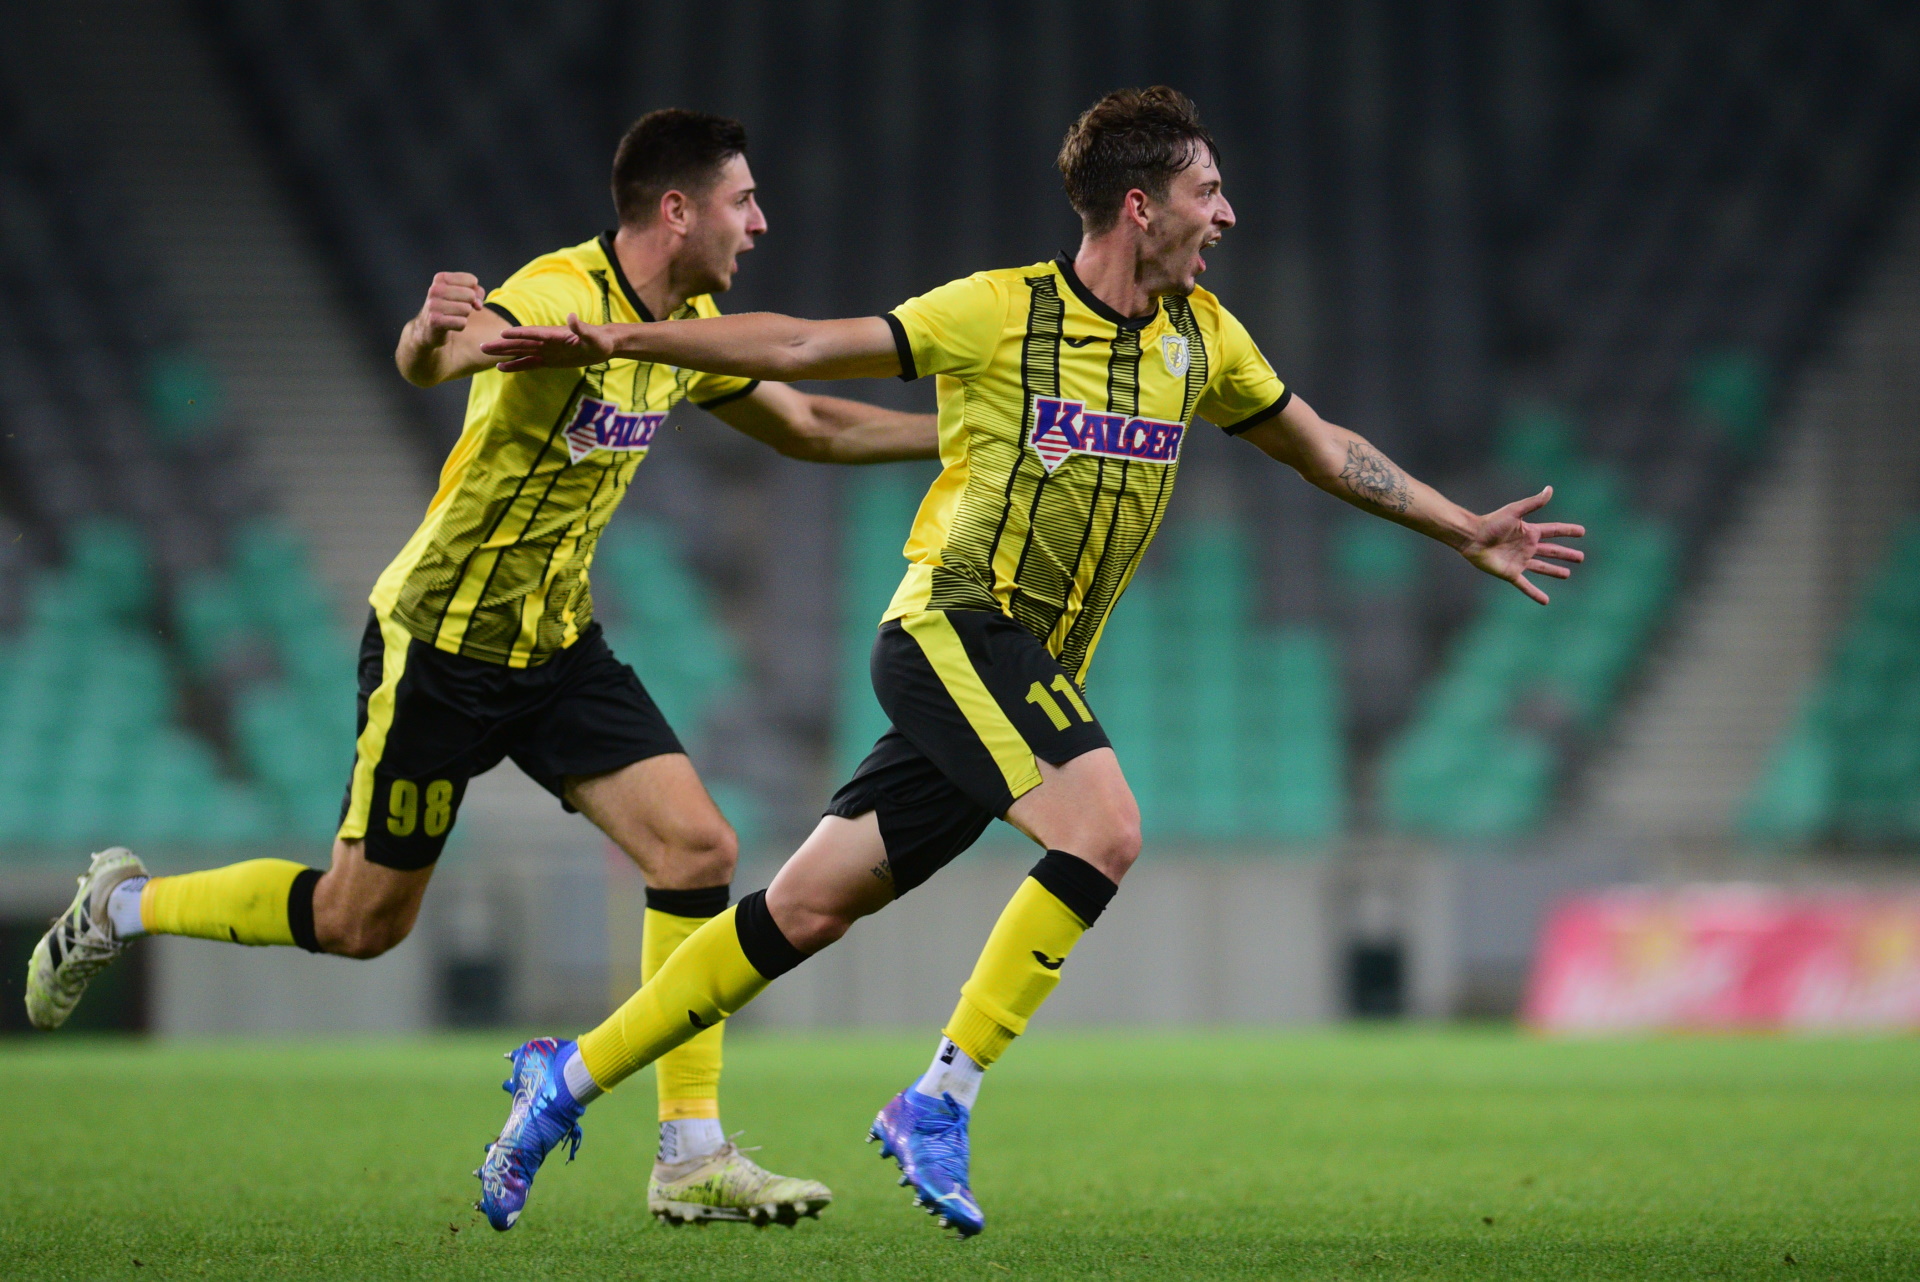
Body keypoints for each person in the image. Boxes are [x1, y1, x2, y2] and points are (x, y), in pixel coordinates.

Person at [466, 86, 1587, 1237]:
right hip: (953, 626)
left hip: (1017, 668)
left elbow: (1323, 447)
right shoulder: (999, 312)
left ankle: (565, 1079)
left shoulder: (1204, 339)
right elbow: (804, 344)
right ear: (1141, 207)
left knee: (802, 910)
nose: (1227, 214)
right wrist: (621, 336)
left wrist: (1464, 527)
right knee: (1105, 828)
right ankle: (939, 1099)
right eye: (1207, 192)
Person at [25, 108, 939, 1230]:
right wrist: (428, 336)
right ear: (677, 210)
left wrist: (967, 436)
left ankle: (690, 1152)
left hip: (556, 649)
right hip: (440, 650)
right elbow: (455, 350)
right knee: (362, 921)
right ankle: (123, 903)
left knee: (699, 846)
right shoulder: (560, 291)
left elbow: (813, 423)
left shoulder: (682, 329)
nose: (759, 222)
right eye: (742, 201)